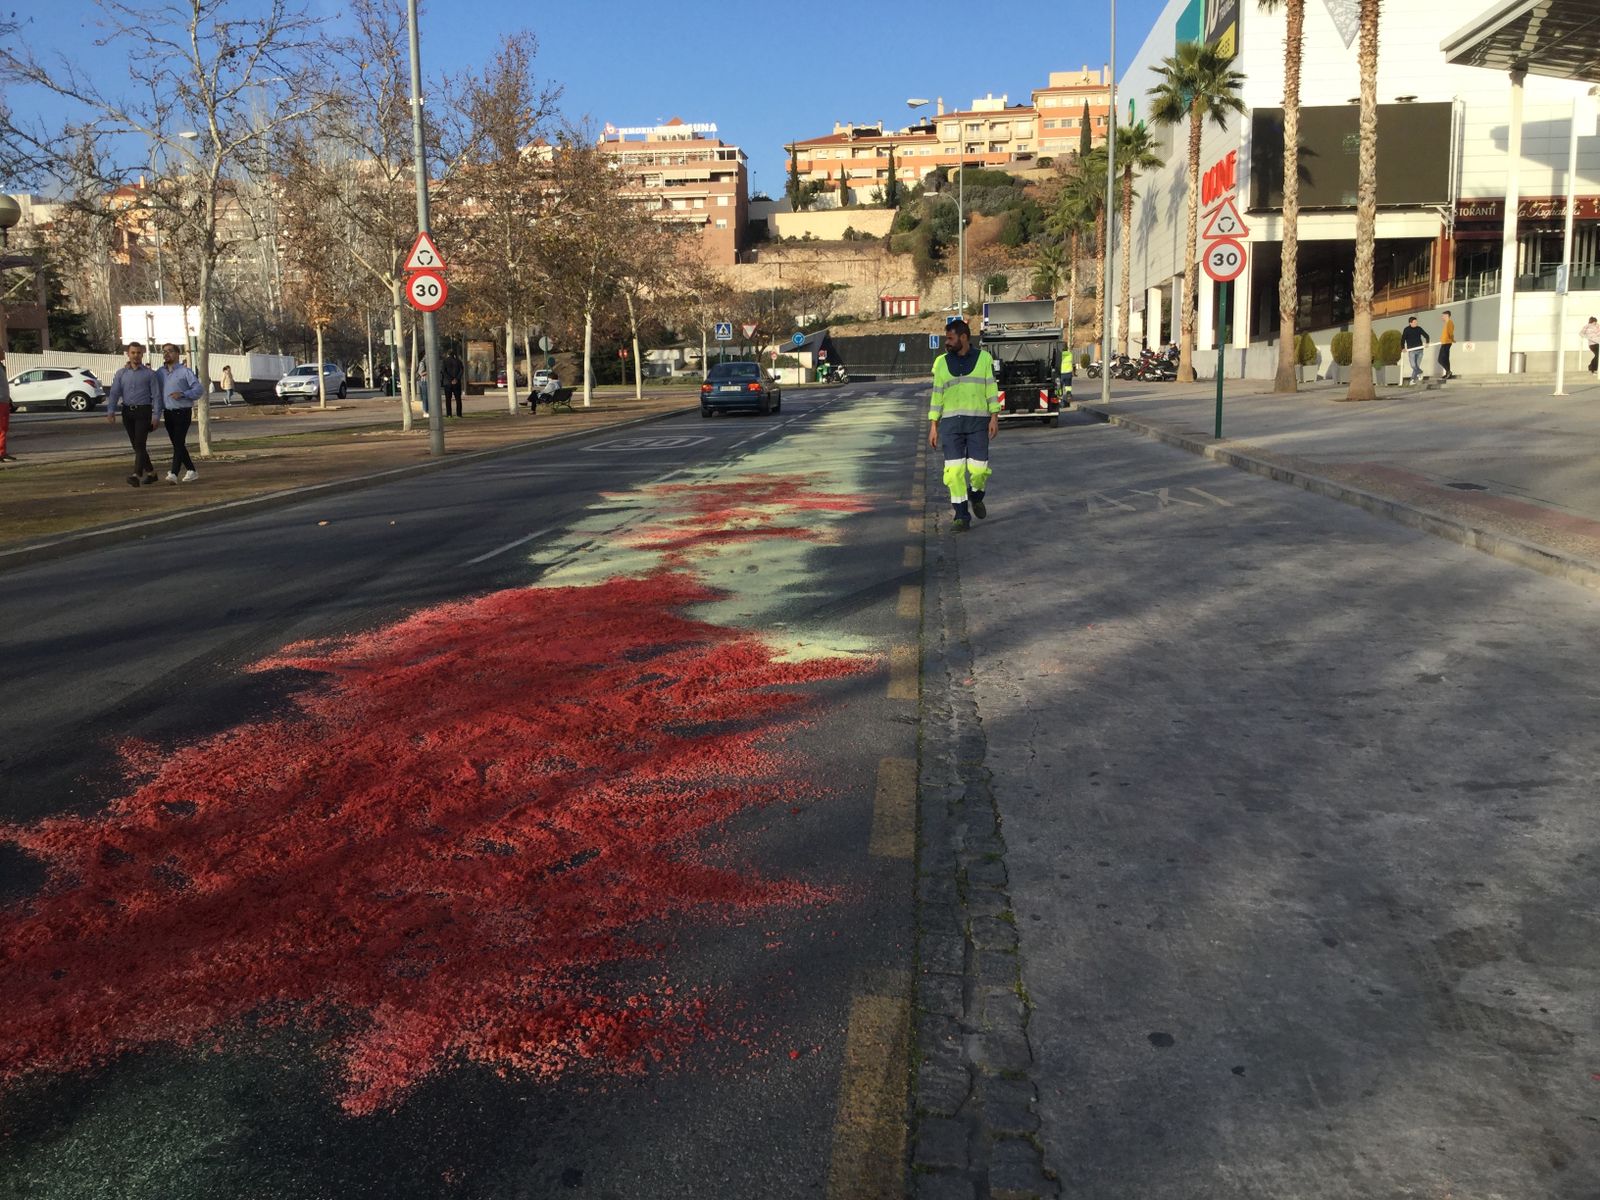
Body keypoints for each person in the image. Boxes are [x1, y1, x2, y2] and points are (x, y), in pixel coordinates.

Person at [927, 319, 1000, 533]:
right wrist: (934, 425)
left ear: (964, 337)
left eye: (950, 338)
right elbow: (937, 395)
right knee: (954, 473)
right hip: (950, 427)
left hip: (978, 424)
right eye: (946, 338)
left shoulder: (984, 359)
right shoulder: (941, 363)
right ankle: (961, 516)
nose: (946, 343)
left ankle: (976, 496)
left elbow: (991, 390)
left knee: (979, 471)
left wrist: (994, 417)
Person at [106, 341, 163, 486]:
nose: (136, 356)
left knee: (140, 443)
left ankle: (136, 474)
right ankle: (151, 472)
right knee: (137, 445)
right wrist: (111, 410)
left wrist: (156, 416)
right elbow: (114, 393)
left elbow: (156, 396)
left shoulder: (150, 374)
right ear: (128, 354)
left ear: (142, 354)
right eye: (133, 353)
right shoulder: (121, 373)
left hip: (143, 411)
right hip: (127, 412)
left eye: (138, 353)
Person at [155, 343, 204, 483]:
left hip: (182, 412)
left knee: (178, 442)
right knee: (178, 444)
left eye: (170, 351)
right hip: (168, 413)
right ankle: (191, 470)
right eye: (164, 351)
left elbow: (199, 390)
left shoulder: (185, 372)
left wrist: (183, 394)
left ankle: (174, 473)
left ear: (177, 354)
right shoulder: (160, 373)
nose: (166, 354)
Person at [1399, 317, 1429, 386]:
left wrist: (1427, 342)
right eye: (1414, 322)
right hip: (1412, 351)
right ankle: (1420, 372)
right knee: (1413, 365)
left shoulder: (1419, 328)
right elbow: (1402, 340)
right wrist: (1403, 348)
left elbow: (1426, 335)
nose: (1416, 323)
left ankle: (1412, 380)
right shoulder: (1406, 330)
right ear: (1410, 323)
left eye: (1416, 322)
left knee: (1417, 366)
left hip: (1420, 350)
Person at [0, 347, 13, 463]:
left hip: (4, 400)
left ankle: (3, 452)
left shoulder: (1, 366)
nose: (4, 354)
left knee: (4, 427)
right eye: (2, 352)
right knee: (1, 427)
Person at [442, 351, 464, 417]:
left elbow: (443, 371)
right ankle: (459, 414)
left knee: (448, 399)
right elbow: (461, 370)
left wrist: (450, 379)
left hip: (447, 383)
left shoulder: (445, 361)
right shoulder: (458, 361)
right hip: (457, 383)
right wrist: (456, 379)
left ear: (448, 354)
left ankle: (449, 414)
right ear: (454, 355)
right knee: (458, 399)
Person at [1438, 310, 1456, 381]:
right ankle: (1447, 373)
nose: (1442, 317)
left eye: (1443, 316)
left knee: (1440, 359)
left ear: (1446, 316)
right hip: (1445, 343)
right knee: (1445, 359)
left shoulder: (1449, 323)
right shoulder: (1447, 323)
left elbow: (1450, 333)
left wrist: (1452, 339)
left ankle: (1449, 372)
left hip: (1446, 343)